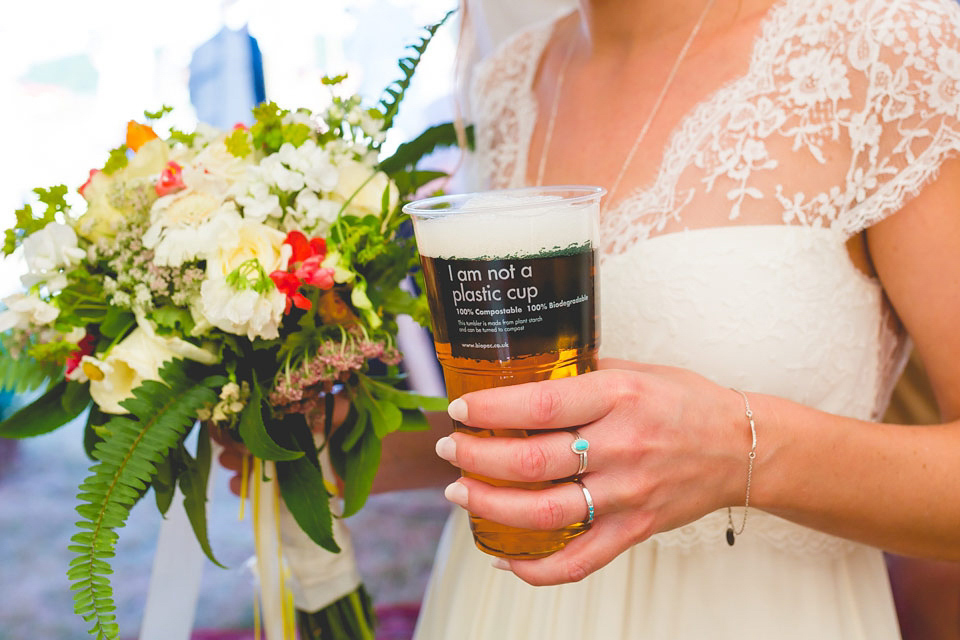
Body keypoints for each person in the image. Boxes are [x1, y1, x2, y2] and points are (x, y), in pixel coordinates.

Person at [404, 0, 960, 638]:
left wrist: (738, 452)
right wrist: (346, 437)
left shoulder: (888, 52)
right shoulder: (508, 80)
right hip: (497, 611)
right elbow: (543, 422)